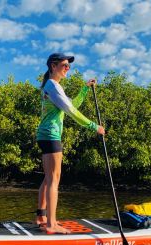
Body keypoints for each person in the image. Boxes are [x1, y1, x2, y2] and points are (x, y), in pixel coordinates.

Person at [36, 53, 105, 234]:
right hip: (51, 136)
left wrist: (84, 90)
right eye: (65, 65)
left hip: (45, 136)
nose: (68, 69)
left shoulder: (52, 86)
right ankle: (51, 224)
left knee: (48, 177)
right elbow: (71, 111)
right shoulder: (53, 85)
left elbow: (70, 105)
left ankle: (41, 217)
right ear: (53, 66)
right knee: (54, 179)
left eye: (69, 66)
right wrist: (94, 126)